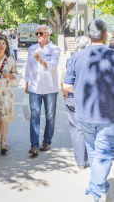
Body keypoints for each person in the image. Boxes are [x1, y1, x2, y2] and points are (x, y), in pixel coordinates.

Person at [63, 20, 114, 202]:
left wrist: (82, 90)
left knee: (93, 151)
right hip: (108, 114)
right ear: (106, 35)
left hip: (84, 112)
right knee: (104, 153)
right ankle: (96, 192)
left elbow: (67, 85)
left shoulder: (76, 57)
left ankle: (98, 186)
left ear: (89, 36)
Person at [24, 25, 61, 156]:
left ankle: (46, 141)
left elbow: (53, 65)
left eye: (41, 33)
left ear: (48, 34)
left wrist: (41, 60)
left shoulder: (55, 49)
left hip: (50, 88)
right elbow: (28, 68)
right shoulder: (31, 49)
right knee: (35, 116)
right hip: (34, 87)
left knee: (50, 117)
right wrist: (26, 83)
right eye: (37, 33)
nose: (38, 35)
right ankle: (34, 145)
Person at [60, 36, 91, 170]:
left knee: (76, 129)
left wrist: (64, 94)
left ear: (76, 48)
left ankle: (81, 161)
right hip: (90, 98)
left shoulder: (70, 60)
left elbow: (63, 81)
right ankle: (91, 158)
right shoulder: (93, 60)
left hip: (73, 96)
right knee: (90, 128)